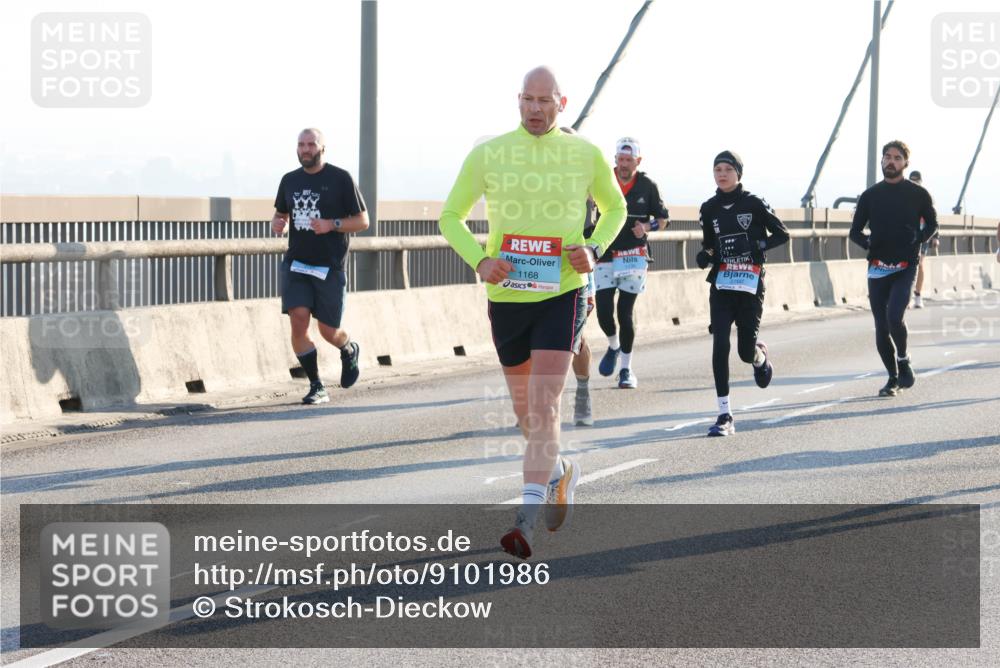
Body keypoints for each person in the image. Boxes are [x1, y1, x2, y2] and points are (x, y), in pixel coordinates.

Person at [439, 67, 627, 558]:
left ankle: (524, 519)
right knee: (526, 414)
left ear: (562, 103)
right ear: (518, 100)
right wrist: (480, 260)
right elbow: (450, 216)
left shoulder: (585, 153)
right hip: (507, 297)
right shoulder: (490, 153)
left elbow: (616, 209)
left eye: (545, 101)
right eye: (528, 99)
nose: (536, 109)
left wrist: (594, 247)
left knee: (544, 405)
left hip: (562, 292)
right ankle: (560, 471)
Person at [271, 128, 367, 405]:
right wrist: (278, 223)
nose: (306, 149)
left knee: (328, 331)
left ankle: (348, 348)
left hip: (329, 266)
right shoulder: (289, 180)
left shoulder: (340, 178)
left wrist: (331, 224)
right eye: (301, 144)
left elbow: (362, 221)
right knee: (298, 319)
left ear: (322, 148)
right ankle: (316, 385)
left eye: (311, 144)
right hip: (297, 264)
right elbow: (281, 213)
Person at [697, 151, 789, 437]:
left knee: (744, 351)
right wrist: (706, 255)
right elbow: (710, 244)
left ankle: (759, 357)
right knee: (720, 344)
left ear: (738, 173)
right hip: (723, 283)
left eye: (727, 169)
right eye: (717, 169)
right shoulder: (709, 208)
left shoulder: (754, 203)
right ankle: (724, 414)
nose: (722, 174)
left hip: (750, 283)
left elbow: (783, 234)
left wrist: (756, 245)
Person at [850, 140, 938, 397]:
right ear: (882, 160)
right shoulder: (870, 195)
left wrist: (919, 238)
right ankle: (892, 378)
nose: (891, 161)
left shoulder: (918, 194)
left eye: (897, 158)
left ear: (905, 163)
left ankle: (903, 358)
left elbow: (933, 224)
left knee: (894, 317)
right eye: (887, 157)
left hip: (906, 265)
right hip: (878, 267)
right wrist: (868, 243)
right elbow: (855, 231)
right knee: (881, 326)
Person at [593, 137, 670, 389]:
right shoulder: (603, 180)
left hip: (633, 255)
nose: (624, 164)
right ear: (615, 159)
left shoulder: (648, 185)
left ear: (638, 161)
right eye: (620, 159)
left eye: (629, 160)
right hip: (605, 253)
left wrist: (647, 226)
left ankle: (626, 369)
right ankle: (613, 345)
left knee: (625, 313)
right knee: (604, 311)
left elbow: (664, 219)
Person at [560, 126, 596, 427]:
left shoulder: (587, 180)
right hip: (536, 266)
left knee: (573, 339)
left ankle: (582, 390)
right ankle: (538, 402)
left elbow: (611, 212)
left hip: (576, 266)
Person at [909, 170, 939, 308]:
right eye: (912, 180)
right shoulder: (904, 194)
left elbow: (934, 219)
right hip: (907, 236)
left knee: (919, 263)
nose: (914, 183)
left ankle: (917, 295)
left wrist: (936, 237)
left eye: (916, 181)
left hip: (923, 236)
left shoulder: (926, 196)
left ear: (921, 182)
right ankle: (906, 295)